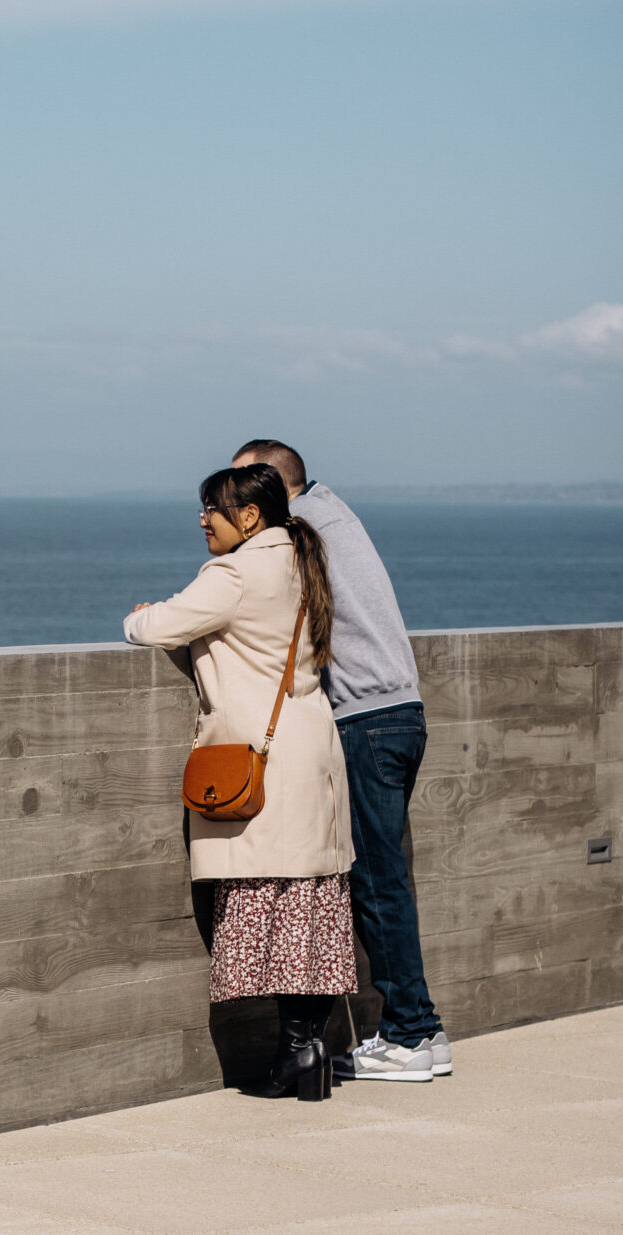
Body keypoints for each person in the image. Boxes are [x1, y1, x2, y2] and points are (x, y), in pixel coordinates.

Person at [126, 463, 356, 1101]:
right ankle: (306, 1052)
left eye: (211, 509)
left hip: (262, 757)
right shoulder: (299, 558)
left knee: (264, 900)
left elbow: (155, 626)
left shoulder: (235, 572)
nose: (202, 520)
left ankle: (296, 1055)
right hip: (311, 749)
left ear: (249, 517)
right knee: (308, 906)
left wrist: (139, 616)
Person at [233, 439, 447, 1083]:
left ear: (276, 485)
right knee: (389, 881)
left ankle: (407, 1035)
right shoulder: (335, 515)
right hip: (402, 713)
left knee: (377, 885)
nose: (233, 501)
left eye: (243, 487)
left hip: (364, 722)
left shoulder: (296, 530)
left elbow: (256, 602)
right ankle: (422, 1030)